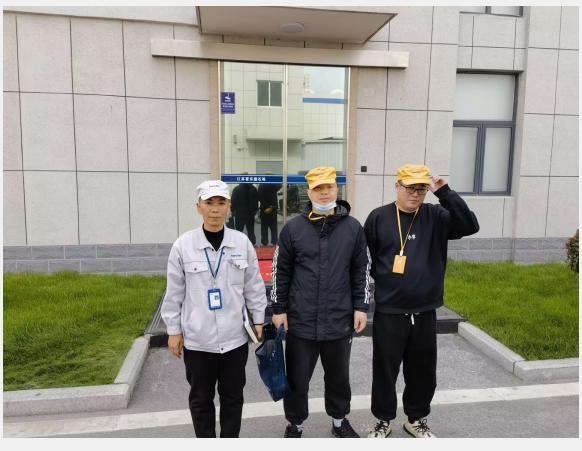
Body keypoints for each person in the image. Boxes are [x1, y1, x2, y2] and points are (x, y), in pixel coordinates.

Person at [364, 164, 479, 438]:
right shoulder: (378, 217)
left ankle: (415, 419)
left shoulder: (436, 215)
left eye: (421, 189)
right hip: (390, 310)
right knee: (385, 369)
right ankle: (383, 420)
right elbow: (367, 260)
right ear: (397, 186)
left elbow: (470, 225)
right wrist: (389, 283)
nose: (415, 194)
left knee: (422, 370)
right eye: (410, 188)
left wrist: (445, 192)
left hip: (425, 310)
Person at [161, 180, 267, 438]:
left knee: (233, 398)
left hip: (234, 339)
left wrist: (259, 319)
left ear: (229, 207)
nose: (215, 209)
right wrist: (174, 330)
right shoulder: (183, 246)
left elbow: (253, 285)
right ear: (199, 206)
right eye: (209, 203)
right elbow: (174, 292)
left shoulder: (241, 243)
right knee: (200, 400)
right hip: (198, 340)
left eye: (221, 203)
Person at [270, 166, 371, 438]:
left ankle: (339, 421)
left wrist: (361, 307)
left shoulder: (353, 228)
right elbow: (280, 271)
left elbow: (361, 269)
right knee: (297, 379)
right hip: (301, 320)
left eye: (329, 187)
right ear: (309, 191)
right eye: (318, 188)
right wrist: (278, 309)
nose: (324, 193)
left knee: (338, 377)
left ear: (337, 189)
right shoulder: (293, 228)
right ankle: (296, 424)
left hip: (339, 318)